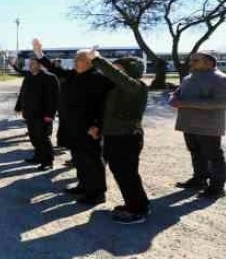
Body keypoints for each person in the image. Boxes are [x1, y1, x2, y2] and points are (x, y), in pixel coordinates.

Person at [33, 38, 112, 205]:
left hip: (90, 128)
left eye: (81, 59)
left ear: (91, 62)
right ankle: (84, 185)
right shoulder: (74, 75)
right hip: (73, 126)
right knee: (79, 159)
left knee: (92, 161)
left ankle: (97, 193)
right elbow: (55, 68)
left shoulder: (99, 79)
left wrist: (98, 125)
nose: (76, 62)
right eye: (76, 59)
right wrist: (40, 54)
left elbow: (105, 106)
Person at [85, 48, 150, 224]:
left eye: (118, 69)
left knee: (127, 174)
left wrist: (97, 59)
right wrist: (98, 126)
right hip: (114, 135)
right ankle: (135, 204)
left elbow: (118, 77)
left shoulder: (136, 86)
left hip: (127, 137)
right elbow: (108, 112)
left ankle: (137, 211)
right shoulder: (117, 90)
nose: (113, 72)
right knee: (122, 173)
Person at [169, 51, 226, 199]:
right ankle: (199, 180)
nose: (190, 63)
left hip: (208, 126)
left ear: (209, 62)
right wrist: (173, 98)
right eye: (191, 60)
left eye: (195, 60)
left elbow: (220, 102)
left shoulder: (222, 80)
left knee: (214, 156)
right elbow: (177, 92)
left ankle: (217, 188)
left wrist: (185, 103)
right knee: (195, 152)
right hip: (188, 124)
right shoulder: (188, 78)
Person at [13, 56, 59, 171]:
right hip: (30, 113)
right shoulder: (28, 76)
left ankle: (48, 161)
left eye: (33, 63)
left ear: (40, 65)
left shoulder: (49, 78)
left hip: (43, 115)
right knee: (33, 137)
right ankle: (38, 156)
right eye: (30, 63)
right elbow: (22, 92)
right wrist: (18, 106)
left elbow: (54, 99)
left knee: (43, 137)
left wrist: (50, 115)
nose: (30, 65)